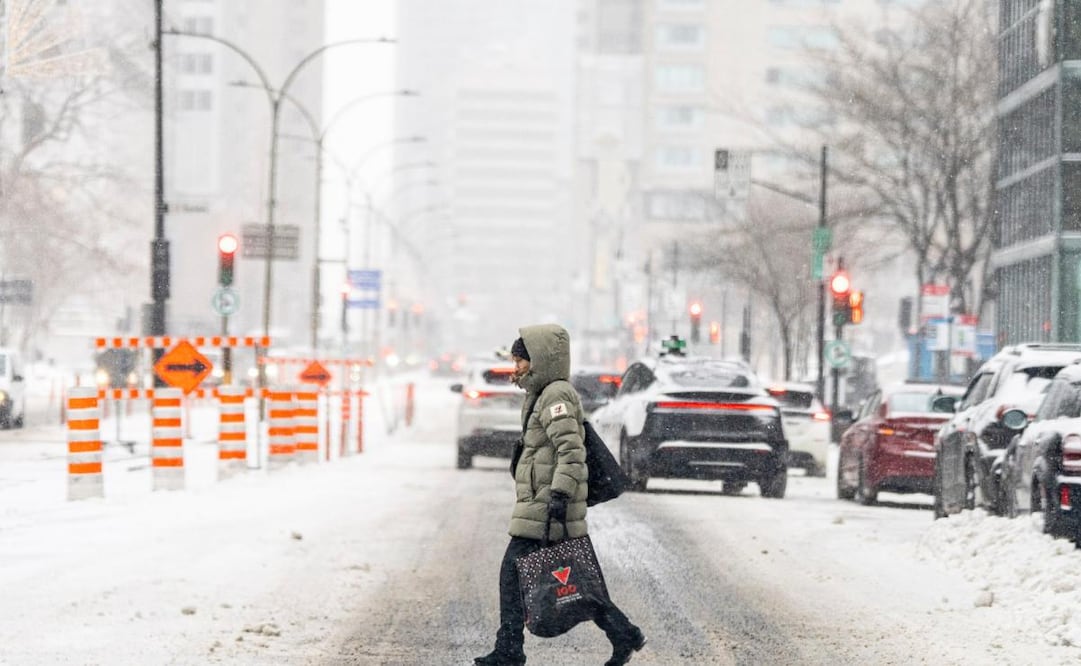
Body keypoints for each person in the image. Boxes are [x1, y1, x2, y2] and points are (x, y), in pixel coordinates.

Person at [475, 324, 647, 666]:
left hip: (549, 506)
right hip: (541, 504)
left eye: (521, 361)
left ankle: (510, 650)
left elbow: (571, 451)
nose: (516, 368)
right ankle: (623, 633)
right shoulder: (541, 393)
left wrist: (559, 494)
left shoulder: (556, 395)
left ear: (540, 360)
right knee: (579, 581)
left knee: (514, 574)